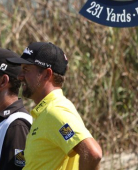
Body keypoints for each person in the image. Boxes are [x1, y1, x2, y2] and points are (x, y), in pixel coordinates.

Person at [7, 42, 102, 170]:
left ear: (47, 74)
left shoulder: (55, 111)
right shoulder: (46, 112)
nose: (19, 76)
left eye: (26, 69)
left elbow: (92, 153)